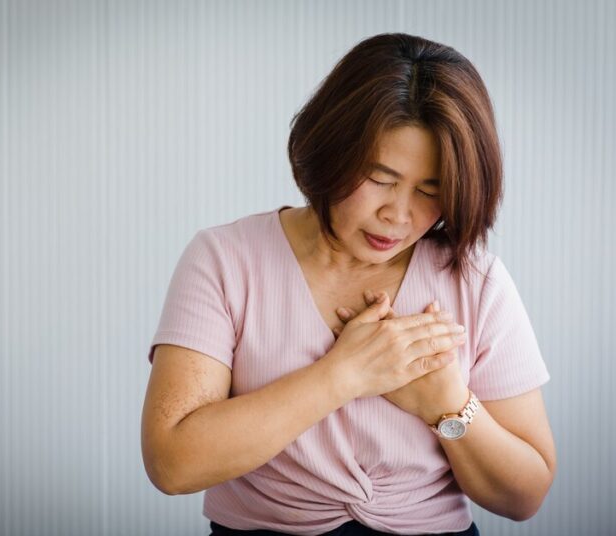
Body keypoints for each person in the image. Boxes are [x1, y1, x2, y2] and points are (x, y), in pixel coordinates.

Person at [141, 32, 556, 536]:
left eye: (431, 190)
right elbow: (172, 464)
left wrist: (448, 403)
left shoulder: (476, 280)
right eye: (380, 179)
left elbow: (525, 496)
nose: (398, 215)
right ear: (331, 150)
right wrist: (344, 375)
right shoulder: (226, 259)